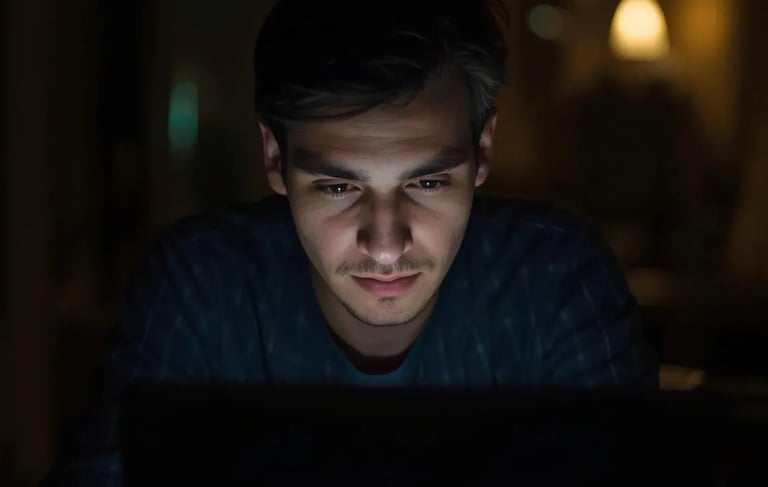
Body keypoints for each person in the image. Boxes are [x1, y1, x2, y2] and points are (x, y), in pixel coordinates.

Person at [42, 0, 658, 484]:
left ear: (484, 151)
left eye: (428, 182)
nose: (386, 245)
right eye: (338, 188)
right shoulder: (202, 286)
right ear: (275, 158)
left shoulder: (551, 281)